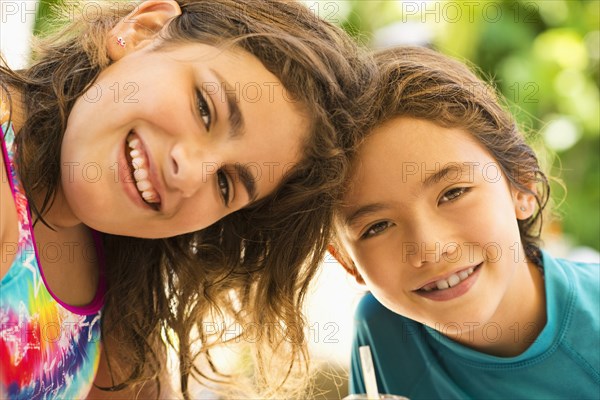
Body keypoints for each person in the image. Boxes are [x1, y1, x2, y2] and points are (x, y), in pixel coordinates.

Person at [0, 0, 373, 398]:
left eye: (227, 184)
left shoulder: (117, 301)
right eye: (204, 109)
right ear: (143, 30)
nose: (191, 172)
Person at [329, 46, 600, 399]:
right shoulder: (381, 332)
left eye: (453, 193)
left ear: (521, 184)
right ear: (349, 263)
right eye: (377, 227)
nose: (428, 248)